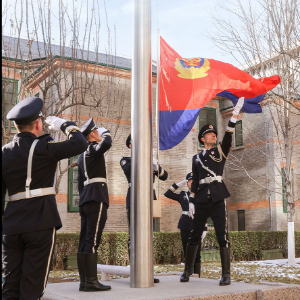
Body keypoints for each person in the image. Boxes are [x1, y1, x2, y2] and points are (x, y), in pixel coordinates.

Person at [2, 97, 88, 300]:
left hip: (11, 226)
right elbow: (80, 143)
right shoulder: (44, 147)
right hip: (40, 222)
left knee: (10, 287)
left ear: (16, 126)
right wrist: (64, 124)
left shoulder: (4, 153)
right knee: (32, 288)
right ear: (39, 124)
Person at [180, 97, 245, 285]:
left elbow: (229, 136)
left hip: (217, 198)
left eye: (214, 133)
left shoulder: (221, 151)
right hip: (200, 199)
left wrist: (233, 117)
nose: (213, 135)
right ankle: (188, 270)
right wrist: (191, 201)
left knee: (221, 235)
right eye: (210, 134)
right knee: (194, 236)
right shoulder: (196, 158)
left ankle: (226, 274)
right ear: (203, 138)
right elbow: (194, 180)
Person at [120, 134, 168, 283]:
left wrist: (155, 166)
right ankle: (135, 271)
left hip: (149, 197)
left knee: (148, 236)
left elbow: (165, 176)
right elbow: (130, 169)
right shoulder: (125, 160)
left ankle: (147, 272)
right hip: (134, 197)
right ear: (130, 146)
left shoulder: (147, 161)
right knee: (134, 236)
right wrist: (145, 159)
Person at [77, 117, 112, 292]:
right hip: (96, 197)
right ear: (92, 134)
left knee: (84, 240)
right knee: (92, 240)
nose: (99, 133)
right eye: (97, 131)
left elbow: (78, 184)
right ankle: (90, 282)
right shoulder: (92, 150)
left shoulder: (80, 156)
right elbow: (107, 143)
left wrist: (84, 198)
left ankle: (84, 281)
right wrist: (105, 133)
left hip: (85, 199)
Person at [164, 172, 207, 277]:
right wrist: (178, 185)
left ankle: (197, 274)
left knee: (196, 251)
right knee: (186, 249)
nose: (191, 184)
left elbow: (205, 211)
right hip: (185, 224)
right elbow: (167, 194)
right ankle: (188, 273)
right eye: (189, 182)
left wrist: (204, 228)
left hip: (197, 223)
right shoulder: (183, 195)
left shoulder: (201, 194)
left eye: (193, 182)